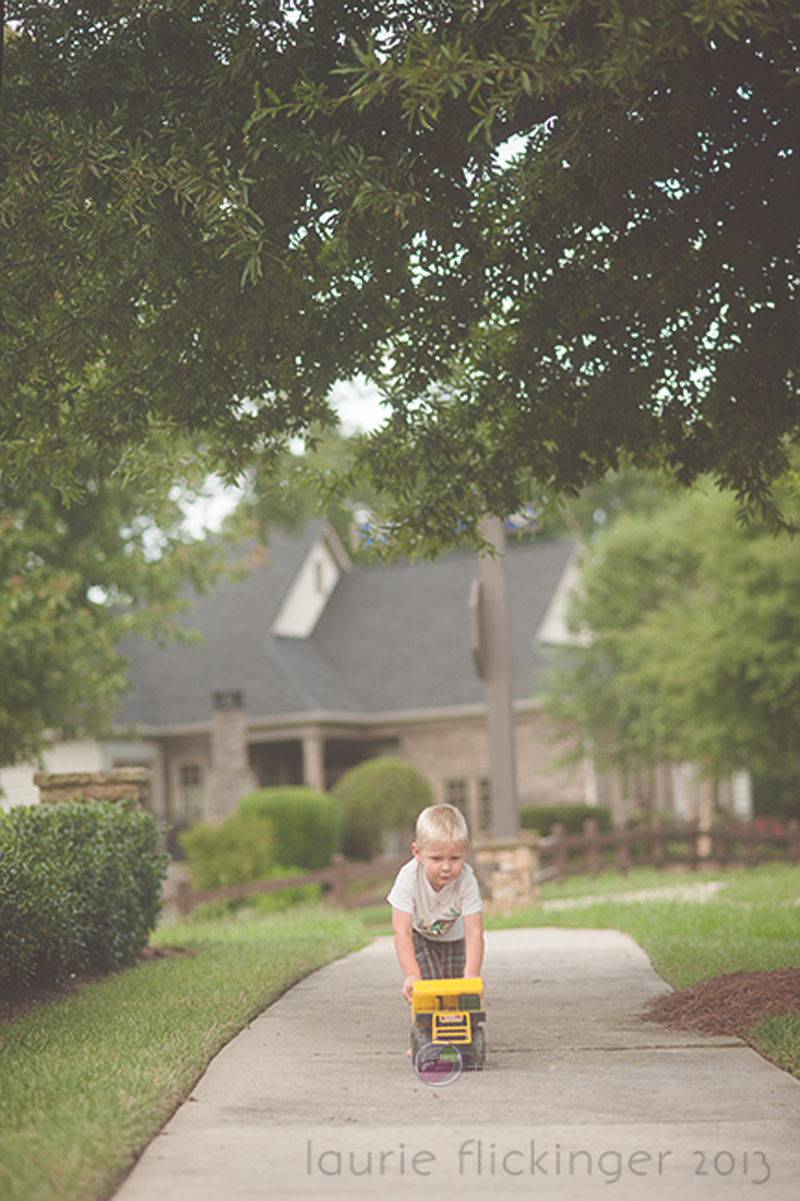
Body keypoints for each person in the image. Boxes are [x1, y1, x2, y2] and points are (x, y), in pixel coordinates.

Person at [387, 803, 484, 1003]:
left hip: (457, 940)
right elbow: (401, 931)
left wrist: (472, 974)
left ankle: (459, 1028)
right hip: (421, 938)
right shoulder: (408, 878)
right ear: (417, 853)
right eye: (437, 859)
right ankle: (428, 1029)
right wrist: (411, 974)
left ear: (465, 853)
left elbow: (474, 932)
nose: (446, 867)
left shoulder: (466, 879)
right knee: (429, 990)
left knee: (458, 994)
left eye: (455, 858)